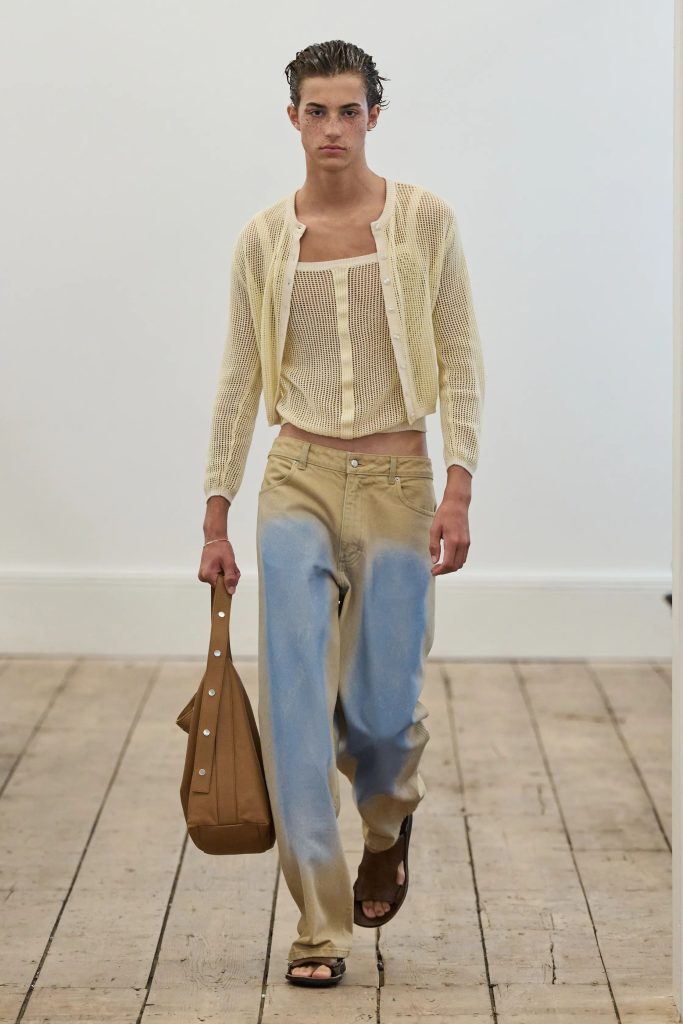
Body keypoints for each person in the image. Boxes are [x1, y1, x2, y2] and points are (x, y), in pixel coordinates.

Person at [198, 39, 485, 988]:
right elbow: (240, 377)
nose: (332, 128)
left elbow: (460, 356)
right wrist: (215, 514)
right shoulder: (262, 240)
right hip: (297, 480)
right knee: (292, 711)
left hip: (400, 487)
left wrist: (458, 486)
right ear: (292, 119)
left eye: (348, 111)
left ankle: (387, 824)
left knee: (382, 712)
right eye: (315, 111)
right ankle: (317, 927)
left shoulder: (423, 222)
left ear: (372, 117)